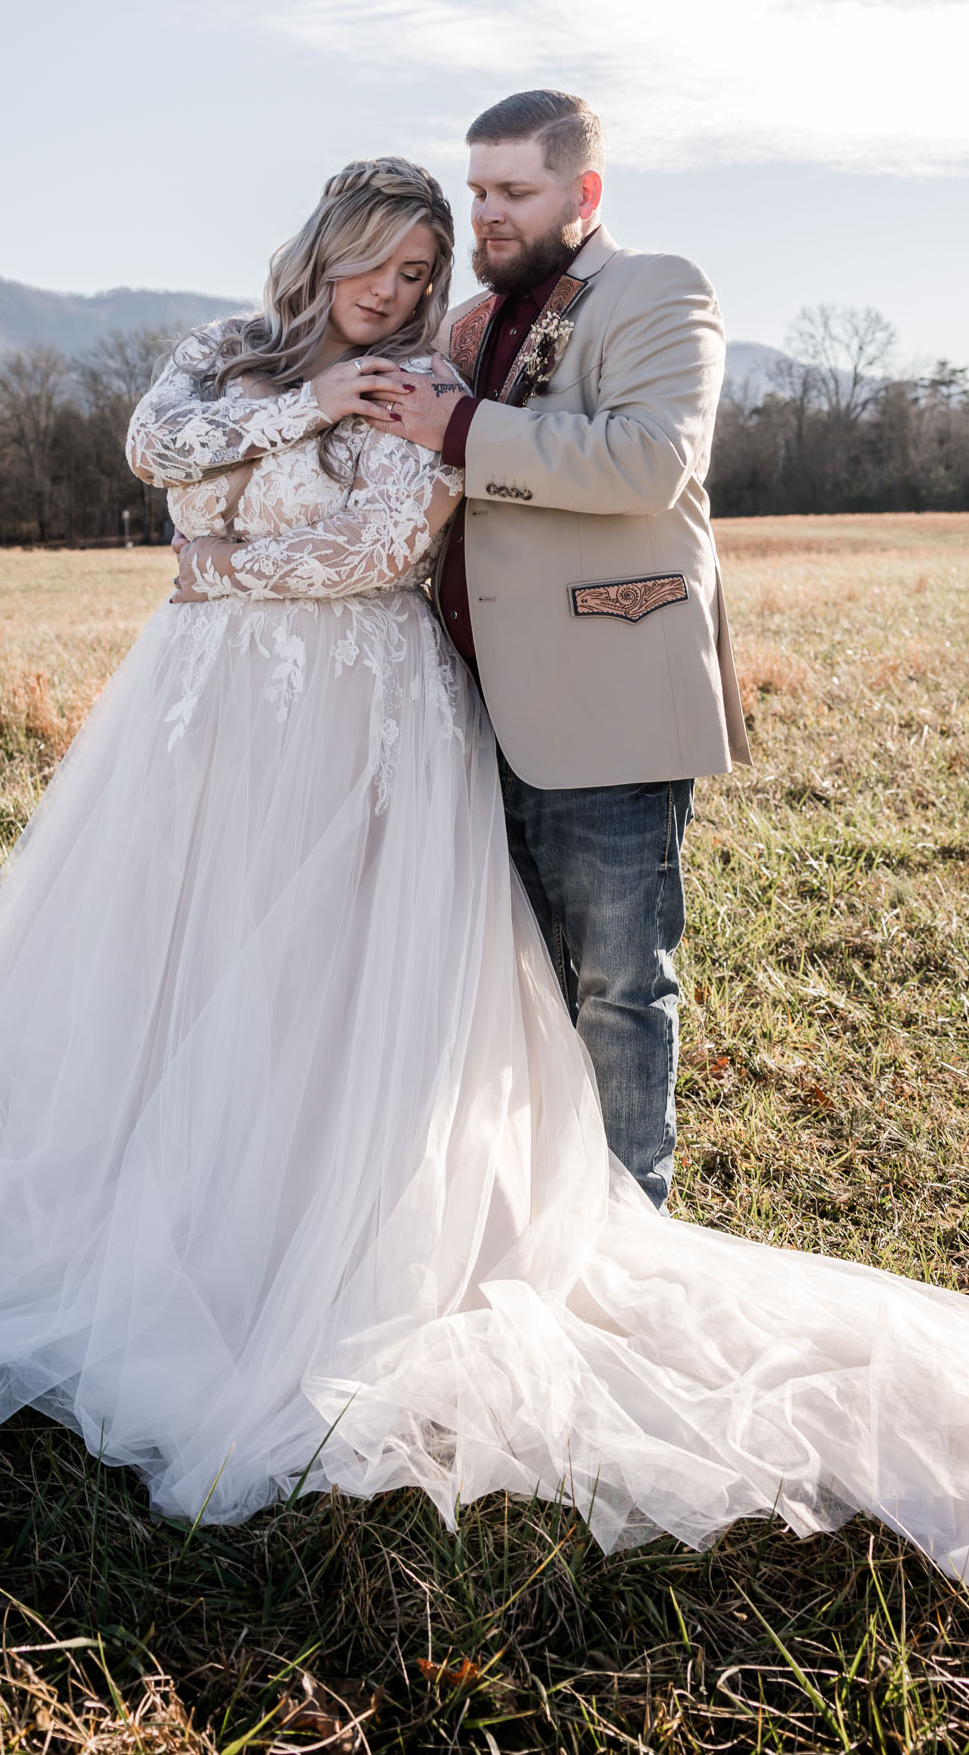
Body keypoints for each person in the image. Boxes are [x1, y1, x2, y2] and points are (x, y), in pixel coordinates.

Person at [0, 154, 969, 1590]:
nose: (397, 289)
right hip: (195, 724)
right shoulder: (227, 348)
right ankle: (148, 1192)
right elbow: (154, 445)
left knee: (330, 974)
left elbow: (363, 557)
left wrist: (217, 552)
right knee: (176, 954)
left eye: (423, 262)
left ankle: (320, 1238)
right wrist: (298, 412)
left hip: (355, 717)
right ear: (319, 255)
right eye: (374, 260)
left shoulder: (433, 387)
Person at [386, 89, 748, 1208]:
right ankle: (527, 1214)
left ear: (581, 192)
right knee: (511, 981)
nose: (485, 214)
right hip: (470, 705)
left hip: (605, 693)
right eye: (476, 189)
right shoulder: (464, 324)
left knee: (615, 985)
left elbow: (649, 463)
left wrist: (453, 428)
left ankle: (627, 1222)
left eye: (513, 191)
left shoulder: (655, 288)